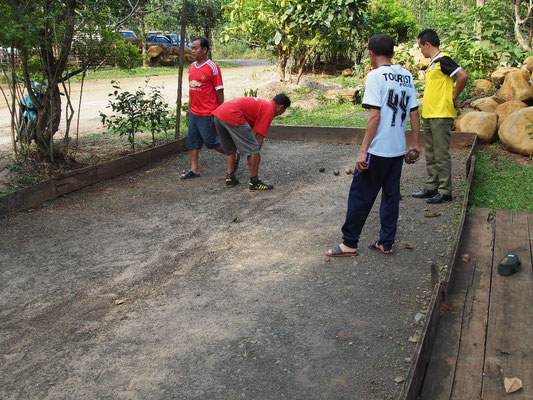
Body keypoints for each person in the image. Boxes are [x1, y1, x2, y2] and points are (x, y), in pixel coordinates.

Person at [326, 34, 420, 257]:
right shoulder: (406, 76)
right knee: (390, 196)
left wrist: (363, 150)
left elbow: (374, 116)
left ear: (371, 54)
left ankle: (349, 243)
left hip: (378, 150)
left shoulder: (376, 76)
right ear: (393, 53)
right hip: (397, 150)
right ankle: (386, 243)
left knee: (360, 195)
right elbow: (414, 112)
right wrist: (415, 143)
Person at [412, 29, 468, 204]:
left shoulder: (443, 60)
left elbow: (463, 75)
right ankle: (431, 187)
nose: (420, 50)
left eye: (421, 46)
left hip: (441, 114)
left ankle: (445, 191)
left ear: (427, 44)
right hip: (429, 114)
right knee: (431, 153)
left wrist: (454, 95)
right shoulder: (433, 63)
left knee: (441, 154)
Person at [212, 94, 291, 191]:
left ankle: (230, 178)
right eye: (283, 111)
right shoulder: (269, 109)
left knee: (229, 149)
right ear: (281, 107)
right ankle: (254, 182)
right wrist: (255, 156)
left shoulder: (263, 104)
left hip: (219, 114)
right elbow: (259, 136)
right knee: (253, 150)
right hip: (233, 115)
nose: (281, 113)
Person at [181, 37, 233, 179]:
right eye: (192, 48)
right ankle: (194, 169)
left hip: (207, 112)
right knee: (192, 141)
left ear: (204, 50)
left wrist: (220, 111)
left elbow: (219, 90)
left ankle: (232, 153)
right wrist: (189, 108)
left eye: (195, 48)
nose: (192, 51)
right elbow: (192, 89)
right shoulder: (192, 67)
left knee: (210, 141)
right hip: (194, 113)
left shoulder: (212, 67)